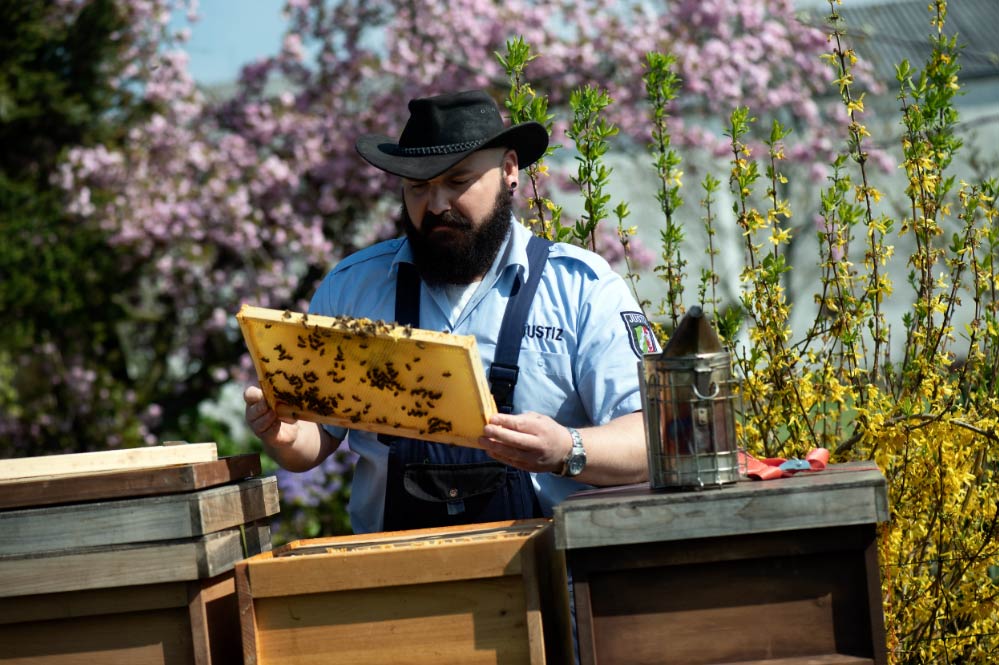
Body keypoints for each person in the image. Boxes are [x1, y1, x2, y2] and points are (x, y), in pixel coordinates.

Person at [243, 89, 661, 534]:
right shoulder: (352, 288)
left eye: (458, 181)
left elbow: (654, 439)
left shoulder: (581, 288)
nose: (437, 204)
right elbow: (316, 440)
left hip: (554, 578)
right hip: (397, 579)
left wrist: (567, 449)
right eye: (418, 187)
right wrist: (285, 437)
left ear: (509, 171)